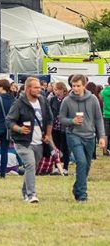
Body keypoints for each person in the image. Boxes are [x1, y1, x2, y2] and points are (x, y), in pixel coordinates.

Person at [59, 74, 107, 202]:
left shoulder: (93, 99)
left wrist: (102, 136)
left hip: (90, 136)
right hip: (73, 135)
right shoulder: (67, 101)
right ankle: (82, 195)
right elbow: (61, 119)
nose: (75, 88)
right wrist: (72, 121)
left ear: (84, 85)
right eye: (73, 86)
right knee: (81, 162)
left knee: (86, 165)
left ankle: (77, 188)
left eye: (78, 86)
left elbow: (98, 119)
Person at [6, 77, 53, 203]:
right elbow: (9, 121)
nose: (39, 90)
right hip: (23, 141)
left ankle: (25, 192)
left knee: (31, 168)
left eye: (40, 87)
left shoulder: (43, 101)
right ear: (28, 89)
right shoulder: (19, 103)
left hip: (39, 141)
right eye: (36, 87)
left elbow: (50, 119)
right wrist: (19, 129)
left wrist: (48, 135)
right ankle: (31, 195)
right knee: (30, 164)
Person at [48, 81, 71, 173]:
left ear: (63, 90)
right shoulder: (52, 100)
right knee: (55, 147)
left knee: (65, 147)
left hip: (65, 127)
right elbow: (49, 112)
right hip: (55, 127)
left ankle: (65, 167)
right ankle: (57, 167)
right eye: (55, 90)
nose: (56, 91)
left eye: (58, 89)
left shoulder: (68, 99)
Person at [101, 77, 110, 156]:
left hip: (106, 114)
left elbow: (102, 99)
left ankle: (105, 150)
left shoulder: (103, 91)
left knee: (106, 134)